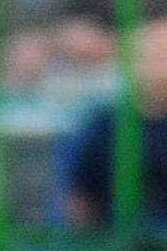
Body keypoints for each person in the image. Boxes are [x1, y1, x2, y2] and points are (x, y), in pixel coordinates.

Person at [54, 17, 167, 231]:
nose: (160, 67)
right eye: (153, 57)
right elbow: (78, 196)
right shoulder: (105, 125)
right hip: (116, 242)